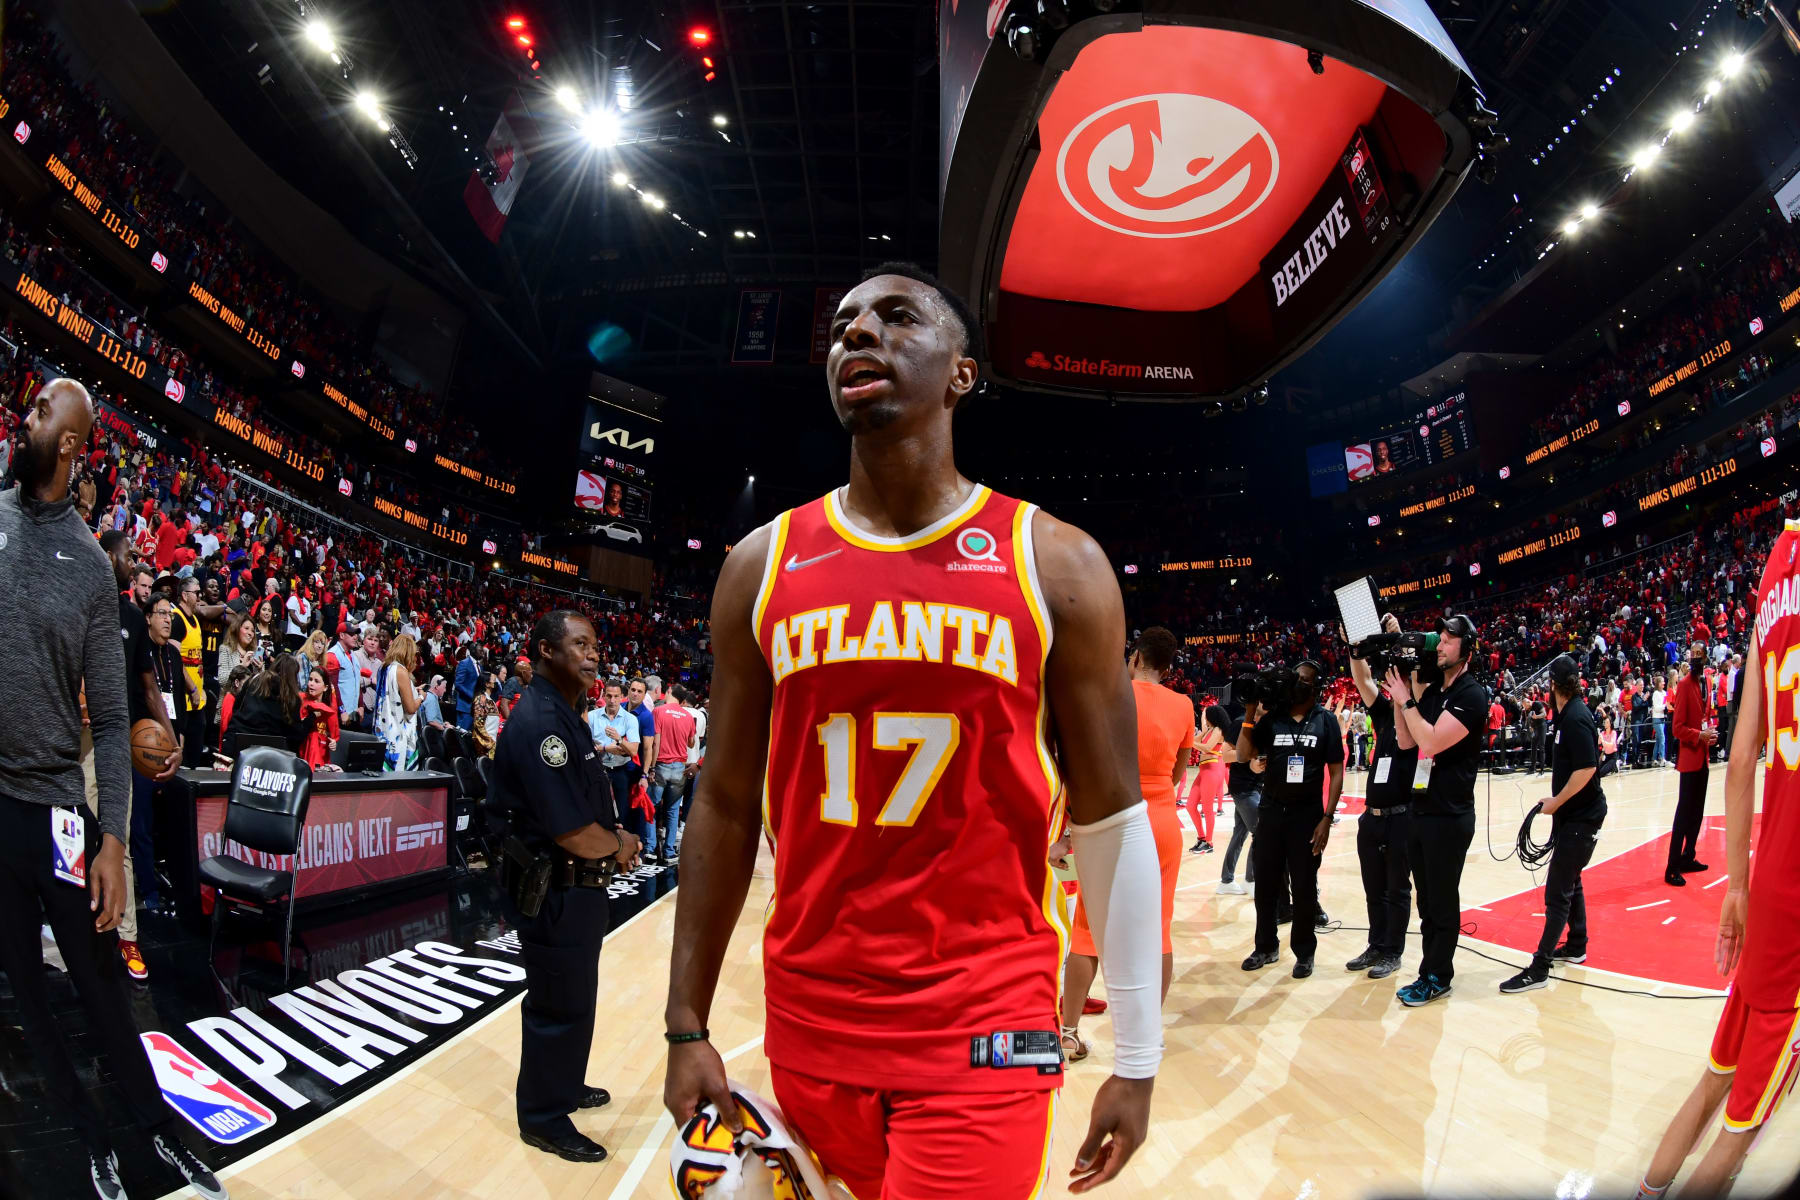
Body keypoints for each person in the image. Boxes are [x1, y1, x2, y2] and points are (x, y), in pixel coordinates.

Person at [662, 264, 1158, 1198]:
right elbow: (725, 804)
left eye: (897, 318)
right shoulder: (759, 567)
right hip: (809, 1024)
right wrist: (687, 1021)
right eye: (844, 322)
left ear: (962, 374)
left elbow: (1110, 820)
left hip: (984, 1023)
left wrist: (1138, 1052)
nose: (858, 334)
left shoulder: (1057, 563)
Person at [0, 377, 225, 1199]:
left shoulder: (94, 568)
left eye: (38, 411)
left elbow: (111, 724)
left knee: (99, 988)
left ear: (68, 441)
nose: (22, 415)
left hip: (58, 806)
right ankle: (87, 1140)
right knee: (25, 984)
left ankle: (156, 1136)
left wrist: (115, 841)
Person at [1634, 521, 1800, 1197]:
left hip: (1770, 886)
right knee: (1735, 1142)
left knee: (1712, 1083)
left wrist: (1739, 888)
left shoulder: (1777, 561)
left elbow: (1740, 762)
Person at [490, 610, 640, 1162]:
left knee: (576, 998)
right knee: (556, 1004)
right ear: (546, 652)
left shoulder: (569, 714)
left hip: (577, 889)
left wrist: (616, 835)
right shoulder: (542, 724)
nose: (593, 653)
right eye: (580, 644)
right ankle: (543, 1118)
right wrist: (620, 845)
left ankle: (565, 1085)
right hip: (553, 887)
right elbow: (572, 831)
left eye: (595, 644)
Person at [1058, 627, 1191, 1060]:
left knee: (1087, 932)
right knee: (1160, 928)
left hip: (1111, 816)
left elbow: (1080, 763)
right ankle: (1146, 1037)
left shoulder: (1107, 695)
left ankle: (1068, 1030)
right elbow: (1176, 775)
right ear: (1167, 667)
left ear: (1134, 658)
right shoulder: (1184, 705)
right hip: (1162, 819)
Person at [1384, 613, 1487, 1008]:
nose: (1440, 644)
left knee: (1442, 901)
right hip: (1423, 810)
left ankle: (1438, 976)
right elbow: (1407, 741)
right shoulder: (1436, 693)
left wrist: (1407, 698)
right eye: (1440, 638)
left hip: (1450, 816)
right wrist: (1402, 695)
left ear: (1467, 649)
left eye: (1449, 639)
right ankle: (1429, 970)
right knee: (1427, 901)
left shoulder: (1470, 695)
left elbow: (1429, 743)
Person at [97, 531, 179, 981]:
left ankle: (128, 937)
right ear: (110, 556)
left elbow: (149, 685)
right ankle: (75, 927)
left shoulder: (131, 614)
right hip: (77, 742)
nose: (134, 564)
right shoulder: (83, 601)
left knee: (119, 840)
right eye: (129, 557)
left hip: (120, 743)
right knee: (70, 839)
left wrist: (170, 739)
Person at [1500, 654, 1607, 994]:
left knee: (1557, 892)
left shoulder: (1574, 717)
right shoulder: (1569, 714)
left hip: (1581, 818)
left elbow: (1588, 767)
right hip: (1573, 817)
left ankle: (1540, 967)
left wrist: (1557, 802)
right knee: (1571, 880)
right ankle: (1576, 945)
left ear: (1554, 686)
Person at [1237, 660, 1342, 978]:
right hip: (1271, 814)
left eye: (1302, 679)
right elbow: (1243, 755)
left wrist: (1327, 817)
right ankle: (1265, 946)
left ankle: (1304, 953)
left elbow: (1336, 772)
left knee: (1305, 888)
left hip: (1307, 818)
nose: (1294, 682)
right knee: (1266, 885)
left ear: (1315, 686)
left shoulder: (1325, 721)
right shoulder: (1274, 719)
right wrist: (1251, 711)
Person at [1346, 615, 1417, 981]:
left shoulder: (1417, 716)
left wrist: (1400, 640)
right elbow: (1363, 679)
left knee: (1396, 888)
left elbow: (1411, 677)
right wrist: (1356, 648)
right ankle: (1376, 944)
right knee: (1374, 887)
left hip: (1401, 815)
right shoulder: (1383, 717)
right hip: (1371, 816)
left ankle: (1393, 951)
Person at [1667, 652, 1718, 887]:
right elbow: (1677, 729)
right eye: (1694, 655)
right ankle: (1672, 867)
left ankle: (1688, 857)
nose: (1698, 659)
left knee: (1697, 813)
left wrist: (1709, 735)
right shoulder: (1686, 685)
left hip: (1703, 758)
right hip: (1689, 760)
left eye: (1701, 655)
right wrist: (1700, 736)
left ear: (1706, 658)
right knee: (1683, 814)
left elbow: (1703, 718)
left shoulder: (1706, 682)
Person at [1217, 674, 1264, 896]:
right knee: (1261, 832)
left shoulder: (1267, 724)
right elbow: (1226, 755)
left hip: (1255, 786)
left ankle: (1226, 881)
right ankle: (1251, 880)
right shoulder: (1239, 723)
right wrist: (1249, 757)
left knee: (1240, 833)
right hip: (1243, 788)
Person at [648, 685, 698, 862]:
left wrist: (651, 767)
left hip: (661, 764)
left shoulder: (659, 711)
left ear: (668, 692)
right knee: (672, 810)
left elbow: (656, 741)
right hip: (679, 767)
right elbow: (691, 743)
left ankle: (650, 848)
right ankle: (669, 851)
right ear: (683, 699)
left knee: (652, 807)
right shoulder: (688, 716)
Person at [222, 655, 306, 756]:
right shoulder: (291, 697)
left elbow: (237, 709)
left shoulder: (253, 681)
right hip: (270, 752)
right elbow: (295, 734)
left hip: (239, 742)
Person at [588, 678, 640, 834]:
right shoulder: (591, 717)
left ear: (621, 696)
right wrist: (606, 748)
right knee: (595, 812)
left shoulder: (630, 719)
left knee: (621, 814)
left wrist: (619, 739)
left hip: (620, 771)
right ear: (604, 696)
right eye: (609, 696)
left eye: (616, 696)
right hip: (597, 769)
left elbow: (633, 750)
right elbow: (584, 747)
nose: (612, 700)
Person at [374, 634, 423, 772]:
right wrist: (421, 696)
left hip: (381, 731)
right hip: (396, 735)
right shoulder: (400, 670)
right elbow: (411, 708)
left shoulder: (383, 668)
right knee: (396, 782)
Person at [1185, 705, 1229, 853]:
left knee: (1207, 808)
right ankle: (1201, 838)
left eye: (1206, 716)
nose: (1205, 719)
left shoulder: (1218, 730)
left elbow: (1206, 747)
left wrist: (1189, 742)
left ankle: (1209, 843)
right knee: (1190, 806)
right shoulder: (1209, 730)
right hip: (1203, 770)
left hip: (1212, 769)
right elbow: (1193, 740)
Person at [299, 667, 341, 772]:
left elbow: (333, 736)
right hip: (302, 756)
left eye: (316, 681)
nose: (311, 684)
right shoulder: (301, 700)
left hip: (322, 760)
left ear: (325, 687)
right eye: (310, 679)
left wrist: (333, 743)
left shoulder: (330, 710)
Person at [454, 643, 480, 730]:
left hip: (475, 707)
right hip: (465, 706)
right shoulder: (464, 663)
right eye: (480, 651)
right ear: (473, 651)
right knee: (461, 735)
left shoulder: (480, 666)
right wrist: (472, 696)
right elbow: (458, 684)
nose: (482, 653)